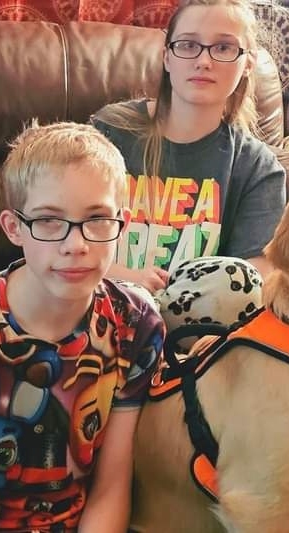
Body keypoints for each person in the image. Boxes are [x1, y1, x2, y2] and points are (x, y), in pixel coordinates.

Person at [0, 121, 166, 532]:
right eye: (49, 220)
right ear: (13, 228)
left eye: (97, 219)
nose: (75, 244)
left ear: (123, 223)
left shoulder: (137, 326)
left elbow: (112, 487)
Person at [91, 0, 286, 334]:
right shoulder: (112, 131)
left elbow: (251, 278)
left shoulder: (257, 166)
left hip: (193, 337)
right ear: (167, 56)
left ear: (248, 63)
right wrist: (125, 277)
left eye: (223, 47)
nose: (203, 60)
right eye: (188, 45)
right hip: (101, 309)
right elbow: (63, 233)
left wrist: (167, 299)